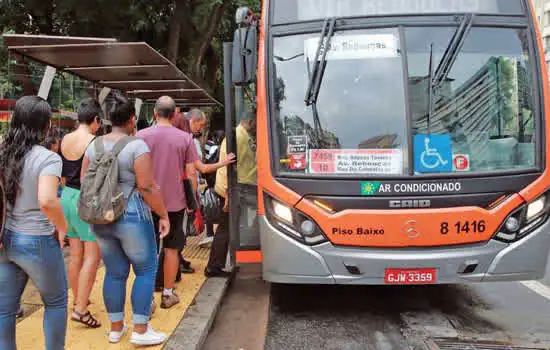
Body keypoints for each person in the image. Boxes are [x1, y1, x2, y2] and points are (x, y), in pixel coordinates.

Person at [82, 93, 170, 345]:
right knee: (145, 269)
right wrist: (163, 214)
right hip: (131, 212)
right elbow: (147, 186)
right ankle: (141, 331)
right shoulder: (136, 146)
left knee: (114, 272)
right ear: (132, 119)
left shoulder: (94, 145)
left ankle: (115, 328)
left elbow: (85, 180)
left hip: (100, 216)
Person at [0, 96, 69, 350]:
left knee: (4, 310)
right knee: (56, 302)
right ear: (45, 125)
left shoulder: (2, 150)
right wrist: (62, 227)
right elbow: (48, 200)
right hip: (37, 239)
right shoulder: (48, 158)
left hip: (5, 237)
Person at [136, 97, 201, 309]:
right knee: (172, 249)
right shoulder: (185, 138)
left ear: (155, 113)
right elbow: (191, 172)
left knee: (148, 250)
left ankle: (148, 299)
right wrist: (194, 198)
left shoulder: (140, 136)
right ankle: (167, 294)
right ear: (174, 115)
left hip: (146, 202)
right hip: (175, 204)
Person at [60, 98, 102, 329]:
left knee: (75, 254)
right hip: (84, 199)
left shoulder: (65, 139)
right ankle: (81, 309)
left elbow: (64, 173)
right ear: (95, 119)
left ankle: (78, 298)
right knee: (92, 256)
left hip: (65, 196)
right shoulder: (94, 142)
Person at [206, 115, 257, 277]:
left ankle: (216, 265)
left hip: (238, 189)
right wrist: (229, 196)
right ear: (250, 121)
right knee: (225, 229)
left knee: (227, 228)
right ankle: (213, 267)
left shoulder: (243, 135)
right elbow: (231, 167)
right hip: (230, 191)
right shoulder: (236, 136)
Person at [199, 130, 225, 247]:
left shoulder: (213, 147)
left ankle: (210, 234)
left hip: (214, 183)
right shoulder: (219, 149)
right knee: (215, 207)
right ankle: (213, 234)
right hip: (219, 184)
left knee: (210, 206)